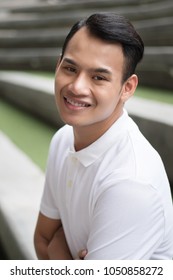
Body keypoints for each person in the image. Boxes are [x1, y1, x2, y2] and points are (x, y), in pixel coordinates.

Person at [34, 13, 173, 260]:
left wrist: (59, 245)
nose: (77, 87)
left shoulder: (131, 183)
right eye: (70, 68)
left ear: (127, 87)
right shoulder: (63, 140)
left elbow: (51, 246)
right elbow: (43, 239)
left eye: (98, 77)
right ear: (58, 66)